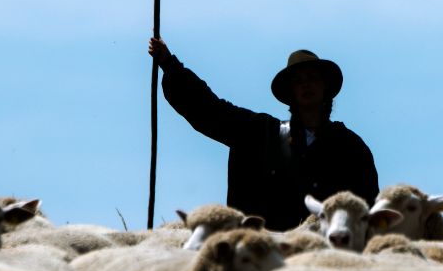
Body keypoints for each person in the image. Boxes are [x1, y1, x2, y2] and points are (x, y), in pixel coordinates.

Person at [148, 37, 380, 231]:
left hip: (325, 257)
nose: (306, 85)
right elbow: (210, 109)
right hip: (261, 254)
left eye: (312, 78)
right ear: (290, 93)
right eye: (298, 81)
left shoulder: (350, 147)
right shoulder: (259, 133)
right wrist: (170, 65)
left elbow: (368, 209)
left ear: (326, 88)